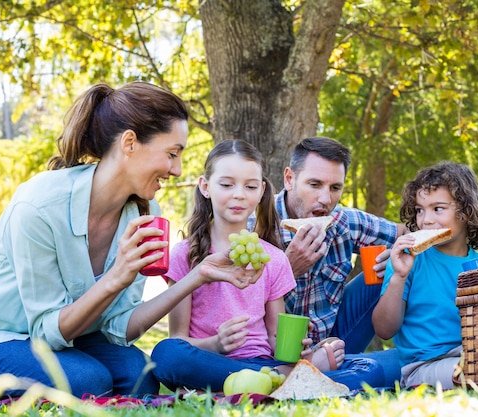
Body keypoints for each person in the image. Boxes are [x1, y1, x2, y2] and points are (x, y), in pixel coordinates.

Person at [0, 82, 262, 400]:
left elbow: (117, 327)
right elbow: (46, 332)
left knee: (139, 377)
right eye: (171, 154)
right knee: (89, 380)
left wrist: (198, 275)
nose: (177, 170)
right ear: (129, 143)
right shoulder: (40, 205)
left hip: (64, 339)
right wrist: (116, 277)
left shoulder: (143, 211)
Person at [153, 139, 394, 392]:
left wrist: (301, 347)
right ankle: (284, 381)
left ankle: (265, 381)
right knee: (166, 353)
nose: (238, 194)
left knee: (371, 371)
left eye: (250, 186)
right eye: (226, 184)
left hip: (265, 361)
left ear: (261, 192)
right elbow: (177, 339)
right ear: (205, 186)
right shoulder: (186, 254)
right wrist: (216, 344)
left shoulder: (273, 257)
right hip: (214, 359)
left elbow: (275, 337)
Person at [272, 136, 407, 387]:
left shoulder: (343, 222)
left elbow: (409, 233)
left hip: (336, 345)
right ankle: (321, 375)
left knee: (417, 359)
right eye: (315, 184)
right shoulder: (257, 225)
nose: (325, 199)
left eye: (335, 188)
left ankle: (333, 371)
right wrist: (285, 269)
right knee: (387, 370)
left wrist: (400, 252)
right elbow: (235, 308)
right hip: (273, 354)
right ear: (289, 179)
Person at [372, 161, 478, 389]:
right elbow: (384, 329)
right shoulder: (408, 259)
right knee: (477, 371)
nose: (426, 220)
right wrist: (399, 277)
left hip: (472, 354)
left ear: (466, 212)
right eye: (420, 210)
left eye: (437, 209)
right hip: (422, 365)